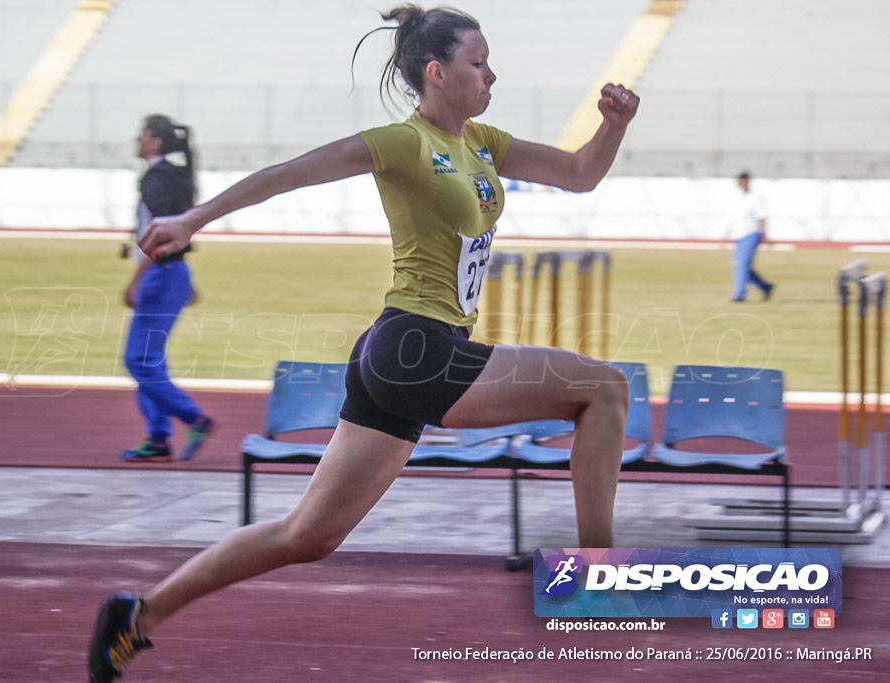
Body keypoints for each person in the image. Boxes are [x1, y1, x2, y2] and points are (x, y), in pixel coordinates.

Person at [88, 7, 638, 680]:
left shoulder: (484, 142)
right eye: (478, 62)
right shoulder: (403, 144)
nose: (491, 74)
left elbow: (582, 172)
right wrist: (196, 217)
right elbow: (294, 172)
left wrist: (612, 127)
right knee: (605, 387)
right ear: (437, 73)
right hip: (417, 345)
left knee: (307, 535)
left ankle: (138, 614)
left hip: (398, 356)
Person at [118, 114, 214, 463]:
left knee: (139, 360)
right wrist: (184, 276)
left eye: (142, 134)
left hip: (160, 273)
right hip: (173, 272)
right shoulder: (174, 175)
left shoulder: (156, 177)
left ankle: (194, 419)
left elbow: (160, 231)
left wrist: (136, 278)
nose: (138, 139)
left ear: (155, 142)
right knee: (148, 358)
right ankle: (157, 437)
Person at [729, 171, 775, 302]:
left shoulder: (755, 198)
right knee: (741, 266)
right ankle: (765, 287)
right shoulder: (737, 198)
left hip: (752, 234)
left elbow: (762, 217)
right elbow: (734, 218)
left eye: (744, 181)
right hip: (738, 236)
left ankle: (739, 295)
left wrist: (765, 234)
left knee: (742, 265)